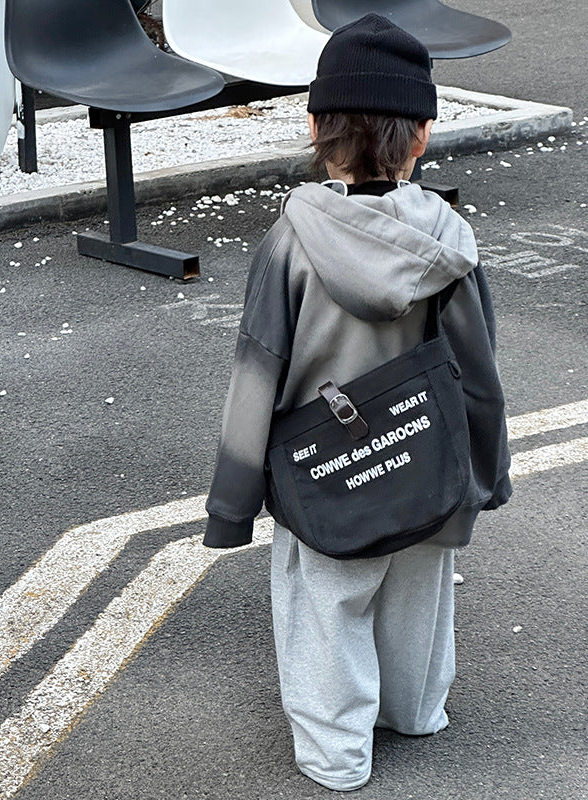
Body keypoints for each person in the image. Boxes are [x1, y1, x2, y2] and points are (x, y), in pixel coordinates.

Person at [203, 13, 512, 792]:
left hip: (327, 472)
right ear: (425, 135)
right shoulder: (450, 245)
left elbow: (258, 373)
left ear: (314, 126)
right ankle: (415, 711)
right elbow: (479, 372)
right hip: (430, 460)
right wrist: (485, 474)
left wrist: (232, 507)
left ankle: (338, 758)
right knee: (418, 595)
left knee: (325, 606)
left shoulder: (289, 243)